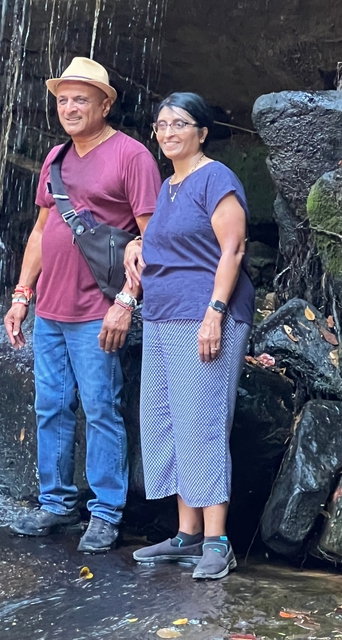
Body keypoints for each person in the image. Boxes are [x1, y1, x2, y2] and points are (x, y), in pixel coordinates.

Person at [4, 57, 161, 553]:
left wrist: (126, 303)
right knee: (50, 407)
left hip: (99, 309)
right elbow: (40, 232)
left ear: (105, 103)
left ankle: (106, 512)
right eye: (63, 99)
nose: (69, 108)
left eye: (81, 99)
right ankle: (56, 504)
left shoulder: (132, 156)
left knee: (101, 409)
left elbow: (152, 236)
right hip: (49, 309)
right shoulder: (55, 159)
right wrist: (21, 295)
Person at [125, 92, 255, 578]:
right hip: (161, 315)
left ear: (201, 131)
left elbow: (234, 247)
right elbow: (165, 240)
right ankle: (187, 535)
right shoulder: (168, 186)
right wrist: (135, 245)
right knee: (168, 423)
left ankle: (218, 542)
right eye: (160, 125)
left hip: (202, 314)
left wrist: (215, 312)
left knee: (201, 422)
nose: (167, 132)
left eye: (179, 123)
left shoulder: (215, 177)